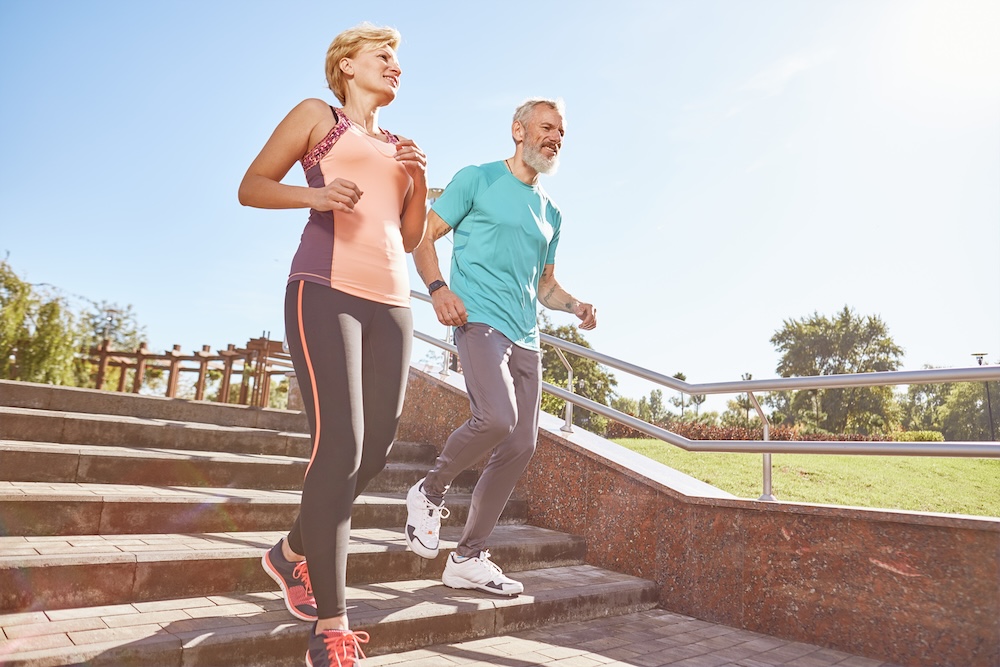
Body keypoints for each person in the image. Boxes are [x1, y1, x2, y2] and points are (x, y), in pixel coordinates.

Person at [237, 23, 427, 667]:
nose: (396, 66)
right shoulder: (318, 116)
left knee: (374, 450)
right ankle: (331, 628)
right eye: (384, 56)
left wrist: (418, 182)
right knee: (339, 444)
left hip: (393, 302)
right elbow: (252, 185)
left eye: (399, 58)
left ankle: (289, 551)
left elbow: (407, 236)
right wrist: (314, 194)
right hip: (325, 288)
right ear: (347, 64)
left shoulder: (400, 144)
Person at [404, 98, 596, 596]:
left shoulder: (551, 212)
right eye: (547, 127)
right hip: (478, 320)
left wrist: (574, 305)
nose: (555, 138)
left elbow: (545, 285)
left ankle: (467, 558)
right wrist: (438, 289)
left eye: (561, 133)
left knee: (520, 444)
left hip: (527, 335)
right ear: (518, 130)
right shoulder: (478, 179)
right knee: (496, 417)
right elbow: (423, 236)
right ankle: (429, 490)